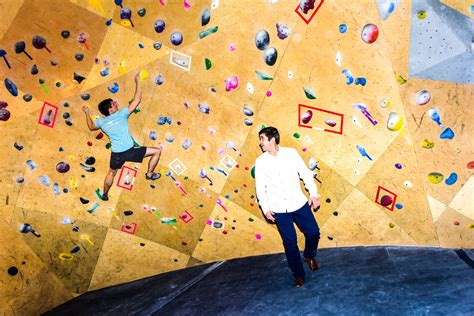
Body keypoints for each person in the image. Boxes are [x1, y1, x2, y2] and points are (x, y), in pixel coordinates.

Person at [255, 126, 321, 287]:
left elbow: (305, 173)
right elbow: (260, 187)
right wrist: (265, 208)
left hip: (298, 203)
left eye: (262, 139)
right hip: (278, 209)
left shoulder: (291, 153)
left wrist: (313, 193)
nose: (260, 143)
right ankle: (298, 274)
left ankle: (309, 255)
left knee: (313, 232)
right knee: (290, 242)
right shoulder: (260, 162)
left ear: (272, 139)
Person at [82, 73, 162, 201]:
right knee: (157, 151)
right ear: (111, 108)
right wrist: (137, 81)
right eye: (112, 104)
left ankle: (105, 194)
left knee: (111, 173)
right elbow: (137, 100)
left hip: (117, 154)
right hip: (131, 151)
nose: (114, 104)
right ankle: (149, 174)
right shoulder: (121, 114)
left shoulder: (101, 122)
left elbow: (91, 127)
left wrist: (87, 113)